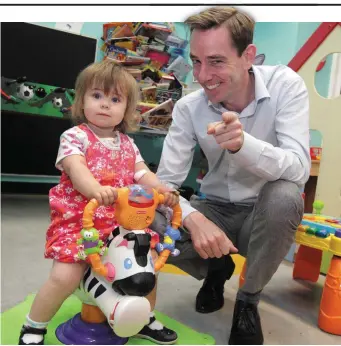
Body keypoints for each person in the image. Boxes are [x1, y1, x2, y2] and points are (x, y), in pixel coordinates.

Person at [152, 6, 310, 345]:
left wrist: (245, 146)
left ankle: (248, 298)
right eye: (196, 61)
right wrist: (194, 220)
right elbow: (164, 185)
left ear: (248, 55)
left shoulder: (285, 86)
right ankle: (216, 270)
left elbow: (299, 168)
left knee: (286, 196)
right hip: (214, 208)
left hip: (260, 213)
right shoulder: (188, 107)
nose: (203, 75)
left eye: (216, 61)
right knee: (148, 214)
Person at [18, 60, 179, 345]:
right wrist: (95, 189)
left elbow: (143, 173)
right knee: (66, 275)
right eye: (97, 96)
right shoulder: (74, 137)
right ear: (82, 101)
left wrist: (162, 190)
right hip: (81, 221)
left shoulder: (128, 144)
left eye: (115, 99)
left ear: (126, 109)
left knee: (149, 267)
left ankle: (145, 318)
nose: (105, 104)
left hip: (122, 221)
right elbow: (76, 168)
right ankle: (34, 326)